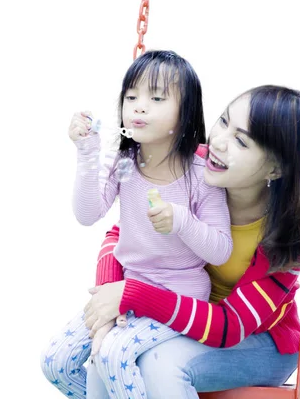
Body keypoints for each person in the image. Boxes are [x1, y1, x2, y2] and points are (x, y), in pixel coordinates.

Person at [84, 85, 300, 398]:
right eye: (223, 122)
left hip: (260, 340)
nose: (218, 143)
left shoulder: (291, 229)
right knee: (102, 354)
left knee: (159, 365)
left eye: (241, 141)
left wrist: (133, 295)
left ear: (275, 168)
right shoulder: (191, 165)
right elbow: (123, 234)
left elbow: (231, 325)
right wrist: (109, 297)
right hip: (185, 313)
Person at [40, 49, 233, 399]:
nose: (139, 106)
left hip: (178, 294)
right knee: (57, 361)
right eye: (132, 97)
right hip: (128, 289)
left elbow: (221, 250)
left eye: (156, 98)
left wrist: (181, 221)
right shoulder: (125, 162)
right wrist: (87, 152)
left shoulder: (200, 174)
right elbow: (88, 214)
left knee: (113, 355)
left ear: (185, 113)